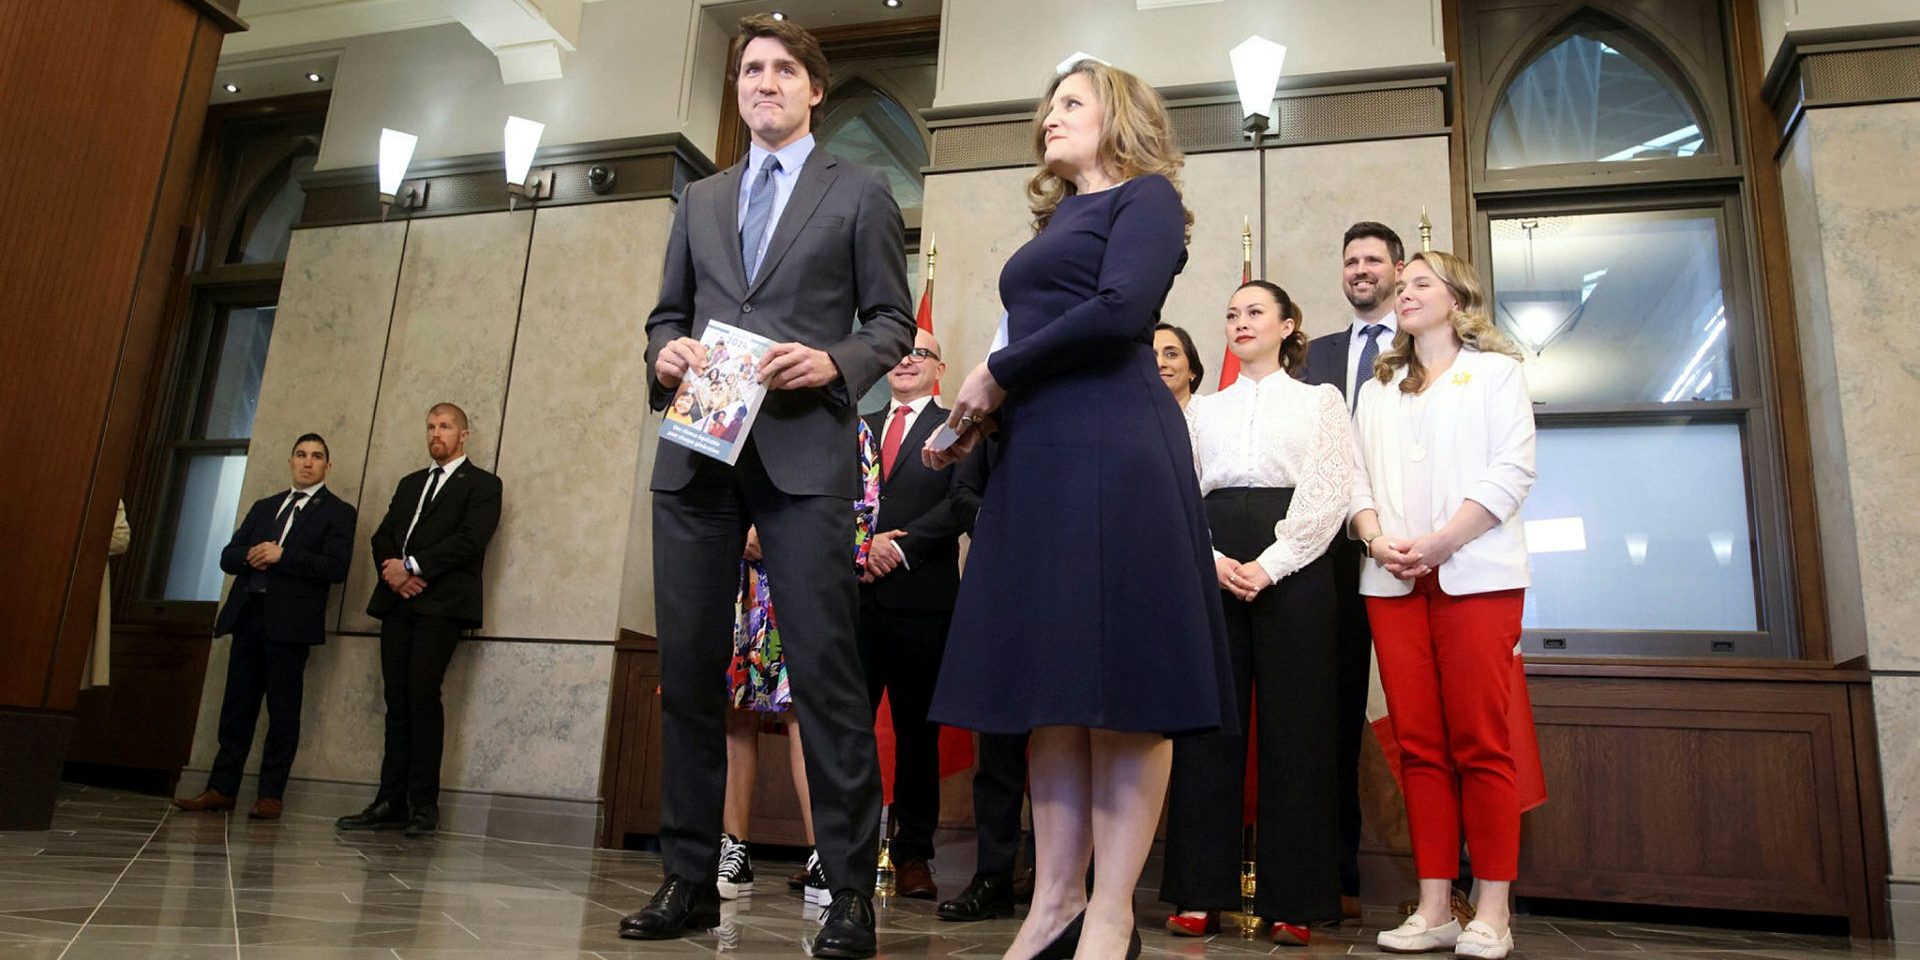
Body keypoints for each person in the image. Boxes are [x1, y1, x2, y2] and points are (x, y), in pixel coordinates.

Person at [926, 58, 1232, 960]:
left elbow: (1120, 309)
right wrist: (984, 411)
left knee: (1127, 687)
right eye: (1046, 105)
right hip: (1042, 450)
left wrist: (995, 373)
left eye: (1070, 103)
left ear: (1119, 116)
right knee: (1051, 690)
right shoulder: (1059, 216)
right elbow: (1029, 337)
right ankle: (1053, 902)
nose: (1047, 118)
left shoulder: (1146, 199)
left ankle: (1110, 914)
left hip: (1116, 443)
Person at [628, 13, 914, 956]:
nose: (763, 83)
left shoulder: (861, 190)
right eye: (751, 70)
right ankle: (687, 879)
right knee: (691, 678)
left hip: (801, 461)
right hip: (698, 456)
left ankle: (851, 894)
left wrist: (832, 363)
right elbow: (665, 315)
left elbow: (890, 327)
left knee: (828, 675)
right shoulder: (701, 199)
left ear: (813, 89)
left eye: (783, 69)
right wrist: (662, 354)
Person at [1348, 252, 1536, 960]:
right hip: (1393, 583)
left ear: (1459, 299)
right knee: (1420, 748)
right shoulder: (1379, 388)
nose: (1406, 293)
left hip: (1476, 576)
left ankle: (1493, 908)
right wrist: (1375, 540)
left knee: (1482, 742)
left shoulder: (1496, 374)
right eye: (1402, 287)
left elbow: (1513, 470)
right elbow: (1355, 481)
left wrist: (1441, 540)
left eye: (1421, 282)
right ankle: (1435, 906)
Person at [1161, 281, 1351, 946]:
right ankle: (1197, 892)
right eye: (1232, 313)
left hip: (1294, 565)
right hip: (1210, 562)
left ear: (1288, 325)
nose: (1240, 322)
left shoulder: (1320, 401)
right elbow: (1178, 491)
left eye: (1255, 312)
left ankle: (1293, 899)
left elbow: (1331, 490)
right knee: (1209, 729)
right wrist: (1210, 558)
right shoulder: (1201, 411)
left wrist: (1273, 562)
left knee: (1298, 731)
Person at [720, 421, 882, 905]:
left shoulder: (850, 425)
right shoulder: (744, 412)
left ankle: (823, 853)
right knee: (734, 711)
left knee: (803, 713)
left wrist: (782, 531)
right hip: (740, 587)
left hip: (805, 582)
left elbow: (864, 505)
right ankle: (734, 848)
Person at [337, 403, 503, 837]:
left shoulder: (483, 485)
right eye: (431, 426)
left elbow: (470, 540)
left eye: (445, 427)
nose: (436, 434)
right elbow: (383, 535)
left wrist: (413, 567)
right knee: (396, 699)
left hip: (442, 603)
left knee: (422, 696)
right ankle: (389, 799)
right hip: (398, 601)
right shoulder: (411, 483)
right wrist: (395, 573)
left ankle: (423, 804)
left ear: (464, 435)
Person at [1301, 221, 1403, 919]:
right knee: (1331, 716)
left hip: (1405, 551)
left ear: (1399, 269)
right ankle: (1337, 876)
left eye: (1373, 260)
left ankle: (1450, 884)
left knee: (1419, 716)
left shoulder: (1422, 343)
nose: (1361, 269)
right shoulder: (1316, 356)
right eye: (1351, 261)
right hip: (1327, 560)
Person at [175, 434, 356, 820]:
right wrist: (252, 556)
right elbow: (228, 555)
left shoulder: (338, 512)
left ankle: (270, 794)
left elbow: (335, 568)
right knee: (236, 708)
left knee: (283, 711)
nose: (308, 462)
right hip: (248, 617)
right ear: (291, 461)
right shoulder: (265, 507)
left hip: (290, 625)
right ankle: (221, 788)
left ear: (328, 465)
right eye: (301, 455)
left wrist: (283, 555)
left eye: (317, 456)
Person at [858, 329, 966, 901]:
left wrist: (899, 546)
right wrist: (863, 545)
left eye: (920, 351)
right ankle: (838, 854)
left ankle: (914, 857)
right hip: (852, 599)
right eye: (900, 349)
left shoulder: (959, 427)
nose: (906, 357)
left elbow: (963, 499)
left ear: (939, 368)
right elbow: (829, 494)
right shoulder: (856, 422)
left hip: (923, 599)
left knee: (917, 736)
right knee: (848, 733)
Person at [936, 434, 1033, 923]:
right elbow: (962, 493)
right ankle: (993, 877)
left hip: (1078, 589)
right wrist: (1002, 524)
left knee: (1077, 750)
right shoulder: (999, 414)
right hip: (1003, 591)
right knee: (998, 749)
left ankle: (1078, 887)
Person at [1153, 322, 1203, 409]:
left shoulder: (1215, 412)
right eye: (1151, 356)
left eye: (1171, 354)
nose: (1160, 363)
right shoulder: (1130, 417)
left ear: (1192, 370)